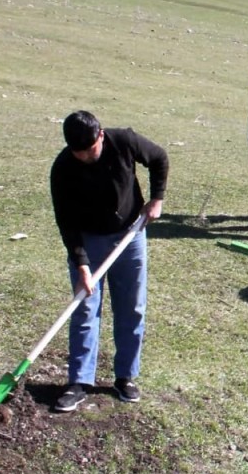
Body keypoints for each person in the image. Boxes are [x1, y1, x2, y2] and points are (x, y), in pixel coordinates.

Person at [50, 111, 168, 412]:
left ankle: (125, 376)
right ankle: (79, 381)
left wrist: (157, 199)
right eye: (78, 153)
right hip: (88, 241)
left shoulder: (124, 141)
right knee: (84, 308)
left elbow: (159, 158)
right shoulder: (63, 168)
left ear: (100, 135)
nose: (85, 158)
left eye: (89, 151)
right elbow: (66, 222)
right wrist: (81, 264)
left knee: (131, 307)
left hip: (129, 235)